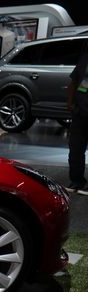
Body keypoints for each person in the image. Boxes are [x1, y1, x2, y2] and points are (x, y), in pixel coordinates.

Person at [65, 45, 88, 194]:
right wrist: (70, 104)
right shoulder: (85, 59)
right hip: (80, 114)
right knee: (75, 149)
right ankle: (77, 181)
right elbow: (74, 82)